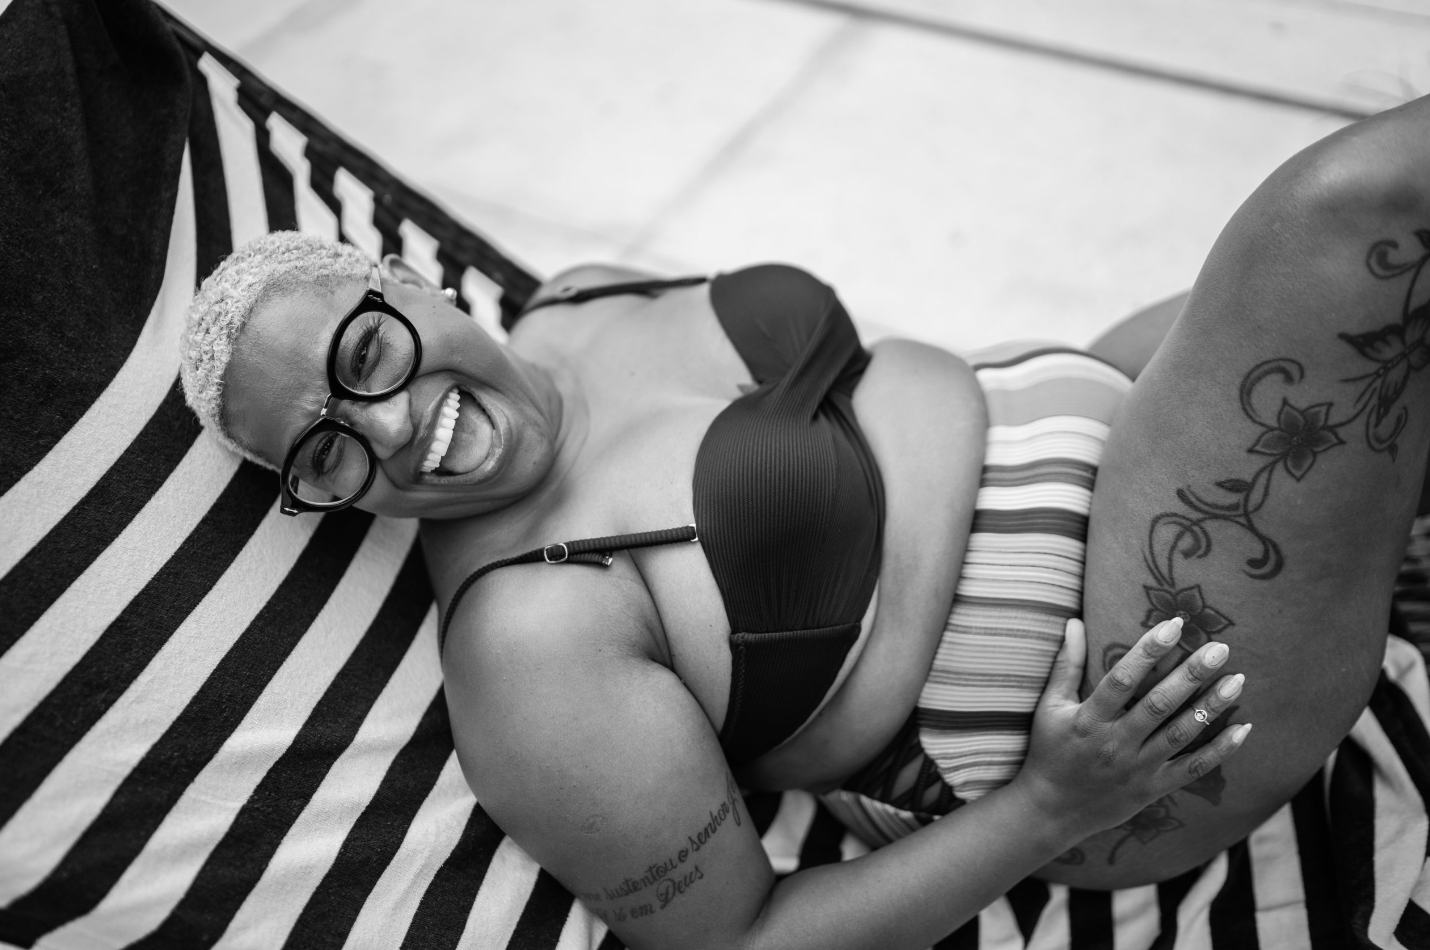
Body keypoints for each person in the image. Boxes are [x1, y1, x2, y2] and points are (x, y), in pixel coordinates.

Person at [178, 93, 1430, 950]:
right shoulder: (525, 638)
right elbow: (739, 936)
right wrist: (1053, 802)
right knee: (1359, 212)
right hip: (1115, 704)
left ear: (403, 281)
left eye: (367, 354)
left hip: (1117, 445)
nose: (389, 431)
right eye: (327, 452)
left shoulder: (578, 297)